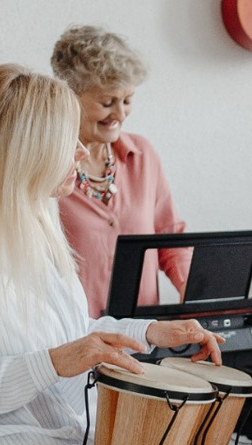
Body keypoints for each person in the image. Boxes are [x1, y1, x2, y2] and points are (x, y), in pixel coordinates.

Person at [0, 64, 252, 445]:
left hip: (68, 438)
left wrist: (153, 332)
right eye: (67, 139)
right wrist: (52, 364)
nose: (82, 151)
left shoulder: (35, 229)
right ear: (27, 150)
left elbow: (75, 335)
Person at [51, 25, 191, 319]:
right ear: (70, 96)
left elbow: (170, 238)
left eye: (127, 100)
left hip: (144, 335)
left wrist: (194, 290)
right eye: (107, 102)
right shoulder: (45, 166)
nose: (120, 114)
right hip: (73, 339)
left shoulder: (143, 156)